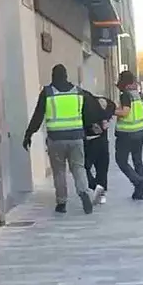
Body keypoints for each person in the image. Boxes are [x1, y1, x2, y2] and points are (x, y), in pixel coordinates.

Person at [23, 64, 93, 215]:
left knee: (59, 171)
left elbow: (38, 116)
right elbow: (86, 115)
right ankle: (83, 193)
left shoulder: (48, 93)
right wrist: (87, 133)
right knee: (78, 168)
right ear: (66, 76)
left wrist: (29, 134)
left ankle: (61, 203)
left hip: (56, 139)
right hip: (76, 138)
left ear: (53, 76)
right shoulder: (78, 92)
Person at [114, 70, 143, 200]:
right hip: (139, 132)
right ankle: (140, 192)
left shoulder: (126, 95)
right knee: (138, 161)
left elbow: (125, 112)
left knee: (121, 161)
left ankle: (138, 182)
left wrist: (111, 110)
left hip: (126, 134)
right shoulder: (136, 94)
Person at [81, 91, 115, 204]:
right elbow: (111, 105)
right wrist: (106, 118)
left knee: (84, 166)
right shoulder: (100, 101)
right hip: (102, 141)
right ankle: (101, 193)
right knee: (102, 167)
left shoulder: (83, 103)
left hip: (90, 141)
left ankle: (95, 186)